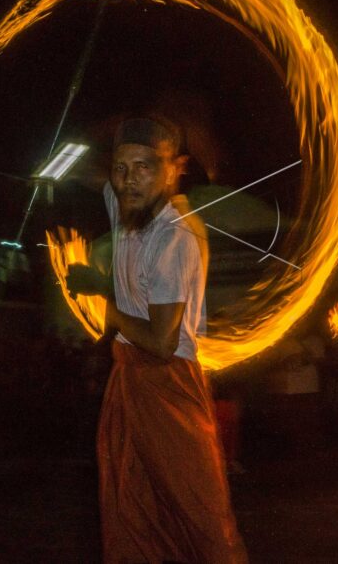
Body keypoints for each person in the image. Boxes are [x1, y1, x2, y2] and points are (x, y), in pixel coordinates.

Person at [67, 116, 247, 564]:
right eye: (121, 168)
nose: (129, 180)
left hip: (169, 384)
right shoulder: (126, 206)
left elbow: (162, 342)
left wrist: (101, 299)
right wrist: (86, 141)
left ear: (174, 169)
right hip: (129, 378)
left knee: (197, 511)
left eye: (144, 167)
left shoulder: (174, 237)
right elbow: (92, 173)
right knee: (133, 507)